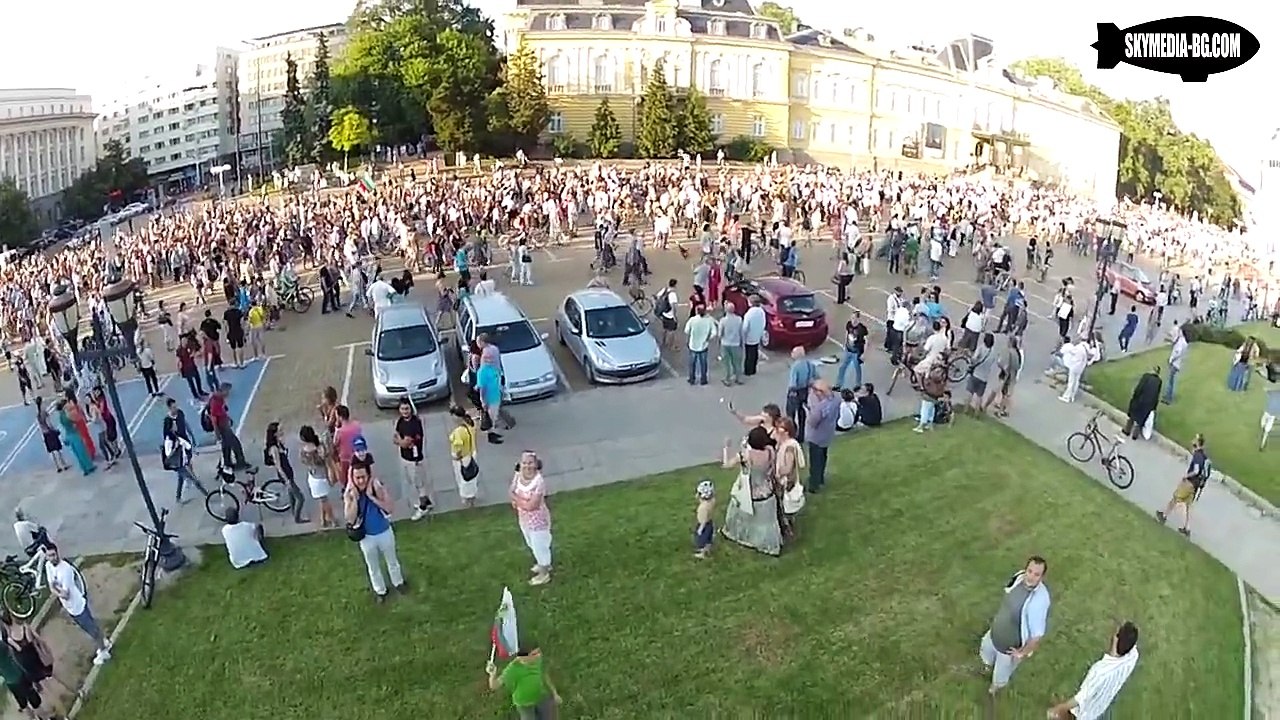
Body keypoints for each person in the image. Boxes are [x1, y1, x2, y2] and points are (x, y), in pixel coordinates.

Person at [978, 556, 1051, 697]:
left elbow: (1037, 635)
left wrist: (1022, 653)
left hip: (1008, 648)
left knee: (1000, 675)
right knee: (986, 652)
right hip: (994, 633)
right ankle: (987, 668)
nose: (1031, 577)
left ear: (1042, 577)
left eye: (1036, 574)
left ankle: (993, 691)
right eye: (1029, 571)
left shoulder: (1039, 601)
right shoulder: (1019, 578)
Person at [1047, 621, 1140, 720]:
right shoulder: (1133, 656)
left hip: (1086, 711)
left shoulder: (1100, 672)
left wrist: (1057, 709)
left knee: (1073, 713)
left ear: (1116, 639)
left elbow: (1080, 698)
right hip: (1101, 704)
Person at [343, 458, 407, 602]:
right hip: (366, 537)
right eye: (357, 478)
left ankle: (399, 583)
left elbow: (390, 508)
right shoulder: (350, 494)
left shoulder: (377, 487)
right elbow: (349, 518)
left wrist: (372, 497)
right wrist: (354, 500)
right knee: (373, 566)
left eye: (363, 477)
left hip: (384, 531)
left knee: (392, 561)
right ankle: (380, 591)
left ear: (369, 476)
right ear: (353, 478)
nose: (360, 481)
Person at [720, 426, 782, 556]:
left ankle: (740, 536)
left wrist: (726, 447)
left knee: (740, 512)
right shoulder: (770, 451)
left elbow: (726, 465)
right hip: (768, 491)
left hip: (750, 493)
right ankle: (768, 545)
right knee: (767, 523)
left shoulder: (745, 455)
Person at [45, 545, 111, 666]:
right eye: (49, 555)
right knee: (87, 627)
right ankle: (104, 642)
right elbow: (51, 586)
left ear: (57, 553)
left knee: (91, 628)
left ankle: (103, 651)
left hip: (77, 605)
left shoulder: (65, 570)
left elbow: (65, 594)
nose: (52, 558)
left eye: (53, 555)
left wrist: (56, 588)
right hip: (69, 607)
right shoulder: (48, 566)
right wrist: (57, 589)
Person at [2, 609, 69, 719]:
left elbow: (18, 651)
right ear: (12, 616)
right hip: (39, 659)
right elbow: (38, 639)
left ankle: (65, 716)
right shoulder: (25, 627)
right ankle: (76, 692)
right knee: (55, 677)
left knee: (49, 692)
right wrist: (46, 651)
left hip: (32, 669)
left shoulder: (10, 639)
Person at [1155, 433, 1211, 537]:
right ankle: (1187, 528)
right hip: (1195, 486)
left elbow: (1196, 470)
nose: (1193, 440)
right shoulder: (1203, 456)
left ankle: (1163, 515)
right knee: (1188, 506)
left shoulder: (1197, 456)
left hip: (1189, 483)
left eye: (1195, 439)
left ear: (1198, 443)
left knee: (1176, 497)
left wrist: (1186, 476)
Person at [486, 643, 560, 720]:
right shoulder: (512, 669)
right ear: (523, 657)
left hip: (541, 698)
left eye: (539, 652)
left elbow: (545, 675)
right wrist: (492, 674)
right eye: (534, 654)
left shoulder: (538, 661)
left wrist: (554, 693)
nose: (538, 656)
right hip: (525, 705)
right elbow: (494, 686)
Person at [511, 451, 553, 586]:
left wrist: (517, 500)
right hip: (524, 519)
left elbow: (532, 505)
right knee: (531, 544)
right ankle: (542, 564)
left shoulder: (539, 482)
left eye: (530, 463)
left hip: (538, 522)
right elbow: (511, 490)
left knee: (540, 546)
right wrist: (520, 502)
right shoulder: (518, 475)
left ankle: (544, 573)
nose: (526, 466)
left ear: (536, 464)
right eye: (524, 462)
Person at [394, 398, 433, 520]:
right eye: (402, 409)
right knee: (411, 481)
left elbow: (409, 442)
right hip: (404, 457)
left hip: (415, 459)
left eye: (407, 408)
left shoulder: (416, 423)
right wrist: (401, 441)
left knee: (419, 484)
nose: (405, 411)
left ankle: (423, 508)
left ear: (411, 408)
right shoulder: (400, 422)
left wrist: (401, 442)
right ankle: (427, 502)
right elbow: (396, 437)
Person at [264, 421, 308, 524]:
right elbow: (278, 466)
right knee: (300, 498)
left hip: (288, 472)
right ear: (275, 433)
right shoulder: (274, 448)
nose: (282, 432)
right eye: (280, 431)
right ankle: (298, 518)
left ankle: (294, 512)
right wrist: (286, 480)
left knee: (291, 495)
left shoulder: (278, 444)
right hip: (285, 475)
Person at [299, 425, 336, 529]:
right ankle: (324, 519)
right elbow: (327, 460)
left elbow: (303, 461)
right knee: (323, 499)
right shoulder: (319, 447)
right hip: (323, 476)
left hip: (314, 476)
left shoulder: (304, 450)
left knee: (323, 500)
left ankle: (330, 519)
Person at [55, 400, 93, 475]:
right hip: (74, 434)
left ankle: (84, 469)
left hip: (69, 435)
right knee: (82, 451)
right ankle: (89, 466)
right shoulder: (67, 415)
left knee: (77, 453)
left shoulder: (60, 417)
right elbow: (76, 420)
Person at [1123, 366, 1162, 439]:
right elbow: (1157, 394)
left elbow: (1139, 387)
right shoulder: (1159, 381)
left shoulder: (1146, 377)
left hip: (1139, 400)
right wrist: (1154, 406)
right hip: (1149, 404)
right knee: (1140, 420)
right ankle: (1135, 435)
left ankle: (1127, 430)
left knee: (1132, 416)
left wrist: (1134, 396)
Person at [33, 397, 67, 473]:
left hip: (45, 433)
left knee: (52, 450)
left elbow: (40, 425)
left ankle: (57, 466)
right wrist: (54, 430)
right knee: (57, 449)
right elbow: (49, 423)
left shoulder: (37, 414)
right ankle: (63, 464)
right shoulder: (44, 412)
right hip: (50, 432)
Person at [693, 479, 716, 559]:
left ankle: (702, 553)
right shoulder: (712, 501)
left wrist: (700, 529)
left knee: (702, 539)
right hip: (710, 523)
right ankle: (707, 549)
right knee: (708, 538)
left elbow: (703, 519)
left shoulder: (703, 507)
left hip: (704, 525)